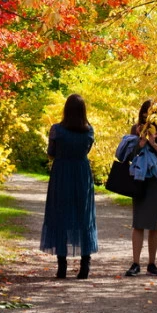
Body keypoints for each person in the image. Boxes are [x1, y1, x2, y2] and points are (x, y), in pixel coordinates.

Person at [40, 94, 98, 279]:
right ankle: (85, 265)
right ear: (83, 112)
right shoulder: (89, 131)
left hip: (62, 174)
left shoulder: (56, 130)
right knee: (83, 215)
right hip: (82, 174)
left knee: (60, 214)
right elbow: (86, 150)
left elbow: (51, 153)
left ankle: (62, 266)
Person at [125, 99, 157, 277]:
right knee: (138, 223)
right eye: (146, 113)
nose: (149, 117)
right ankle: (135, 263)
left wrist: (154, 144)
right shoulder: (135, 128)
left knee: (153, 225)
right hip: (139, 179)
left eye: (152, 113)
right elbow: (129, 156)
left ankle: (152, 263)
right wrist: (139, 143)